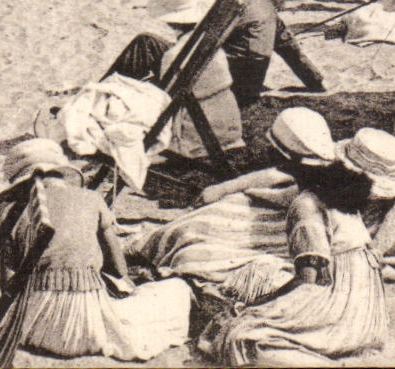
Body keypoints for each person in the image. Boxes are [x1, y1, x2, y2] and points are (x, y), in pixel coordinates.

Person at [206, 129, 395, 365]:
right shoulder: (345, 197)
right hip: (368, 304)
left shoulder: (310, 204)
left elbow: (308, 279)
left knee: (241, 337)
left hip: (342, 301)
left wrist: (262, 303)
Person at [0, 139, 192, 364]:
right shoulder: (92, 198)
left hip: (32, 328)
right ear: (60, 173)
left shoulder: (13, 212)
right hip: (88, 327)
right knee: (175, 291)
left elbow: (7, 286)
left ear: (22, 184)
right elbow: (118, 269)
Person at [132, 107, 338, 302]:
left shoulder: (318, 196)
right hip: (281, 212)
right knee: (194, 226)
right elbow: (273, 178)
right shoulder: (311, 169)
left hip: (292, 233)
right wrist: (225, 189)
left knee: (193, 248)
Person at [105, 0, 245, 160]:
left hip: (197, 129)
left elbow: (162, 103)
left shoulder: (174, 56)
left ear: (170, 20)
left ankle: (96, 98)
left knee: (119, 89)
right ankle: (101, 90)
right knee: (145, 42)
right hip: (224, 120)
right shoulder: (205, 34)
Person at [208, 0, 325, 104]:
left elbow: (205, 51)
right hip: (251, 79)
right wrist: (315, 81)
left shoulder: (232, 9)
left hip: (236, 88)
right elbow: (288, 46)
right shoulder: (263, 4)